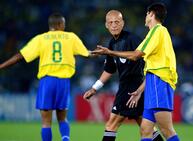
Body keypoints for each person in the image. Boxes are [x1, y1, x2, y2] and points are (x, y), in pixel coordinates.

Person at [92, 3, 180, 141]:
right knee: (145, 130)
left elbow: (135, 55)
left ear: (151, 14)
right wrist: (139, 91)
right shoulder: (154, 33)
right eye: (111, 22)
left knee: (166, 129)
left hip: (160, 82)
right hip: (151, 82)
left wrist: (109, 52)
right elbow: (149, 67)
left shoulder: (158, 31)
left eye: (146, 14)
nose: (145, 17)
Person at [0, 13, 92, 141]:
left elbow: (20, 56)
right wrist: (105, 52)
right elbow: (88, 54)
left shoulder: (40, 39)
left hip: (47, 82)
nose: (65, 26)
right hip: (63, 82)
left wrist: (1, 66)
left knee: (46, 122)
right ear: (59, 24)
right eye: (64, 24)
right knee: (62, 118)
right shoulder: (71, 37)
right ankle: (65, 139)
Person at [83, 10, 163, 141]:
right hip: (136, 88)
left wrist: (111, 53)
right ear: (106, 25)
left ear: (123, 23)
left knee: (112, 124)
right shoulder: (111, 44)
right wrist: (94, 88)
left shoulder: (132, 39)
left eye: (117, 22)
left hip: (132, 87)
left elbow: (139, 57)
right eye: (111, 22)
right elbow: (109, 70)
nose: (114, 25)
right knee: (146, 127)